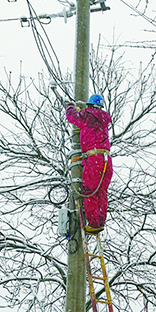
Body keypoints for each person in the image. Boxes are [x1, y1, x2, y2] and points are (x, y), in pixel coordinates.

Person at [64, 94, 112, 234]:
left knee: (90, 191)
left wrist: (70, 106)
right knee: (101, 192)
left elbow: (72, 116)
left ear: (90, 105)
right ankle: (100, 221)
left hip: (94, 158)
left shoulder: (87, 115)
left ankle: (94, 223)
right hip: (106, 159)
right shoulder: (104, 119)